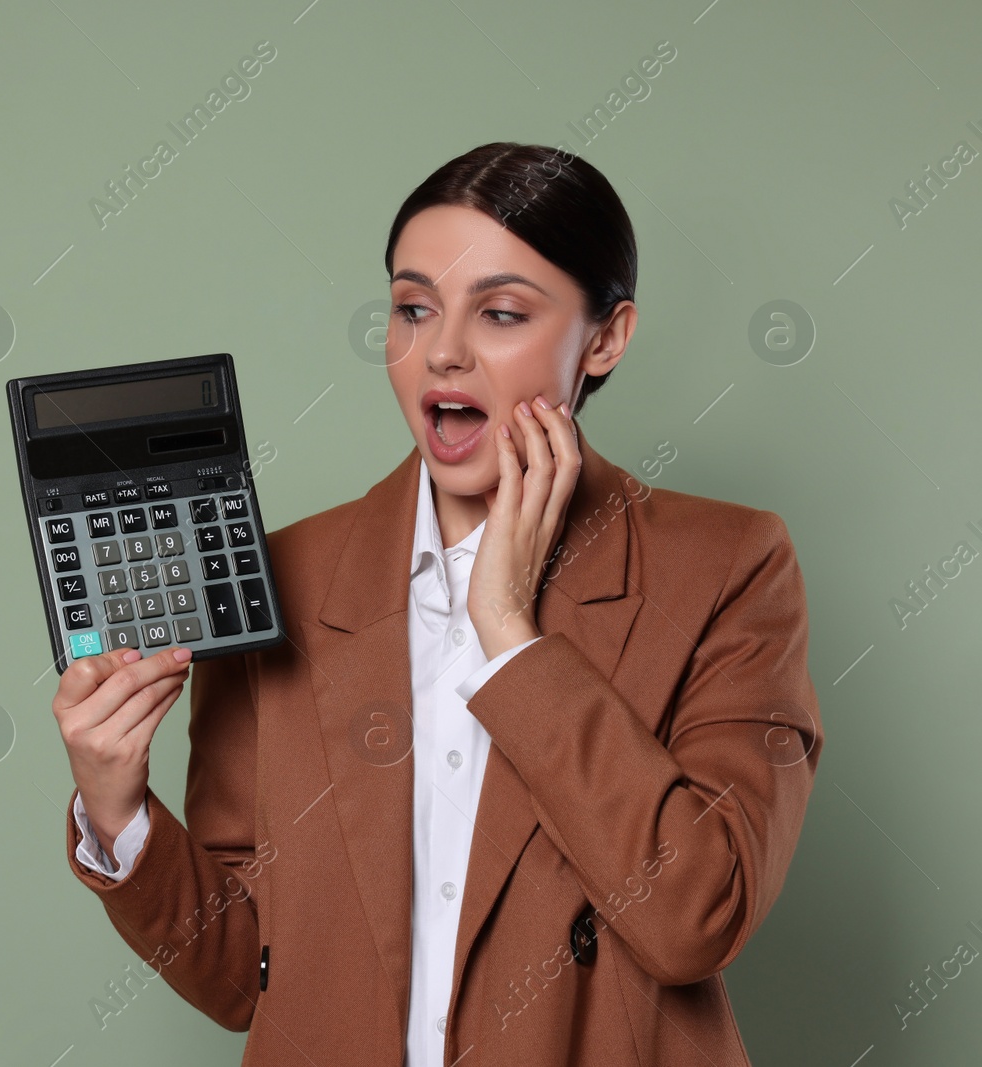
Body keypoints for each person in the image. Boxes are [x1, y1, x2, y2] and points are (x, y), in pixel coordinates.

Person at [51, 141, 823, 1066]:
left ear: (607, 337)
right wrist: (116, 809)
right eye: (414, 308)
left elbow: (694, 916)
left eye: (500, 313)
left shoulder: (727, 564)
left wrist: (510, 633)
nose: (443, 352)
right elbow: (240, 974)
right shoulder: (286, 577)